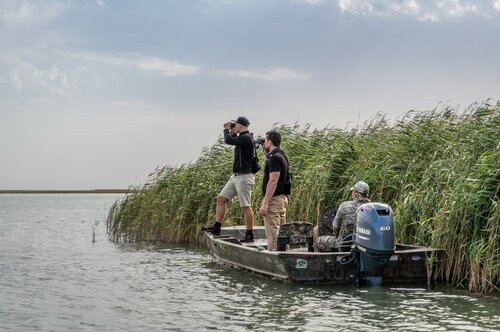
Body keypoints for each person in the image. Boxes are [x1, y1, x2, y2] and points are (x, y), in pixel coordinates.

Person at [204, 116, 256, 242]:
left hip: (244, 177)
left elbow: (228, 140)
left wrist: (227, 129)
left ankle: (250, 234)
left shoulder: (246, 137)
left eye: (235, 124)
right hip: (236, 176)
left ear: (241, 125)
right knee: (221, 199)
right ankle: (217, 227)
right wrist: (232, 131)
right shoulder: (242, 137)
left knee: (245, 206)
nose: (234, 126)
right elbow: (232, 139)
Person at [313, 181, 370, 252]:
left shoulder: (344, 206)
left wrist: (336, 236)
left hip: (344, 244)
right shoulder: (371, 208)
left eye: (352, 191)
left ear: (355, 193)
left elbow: (335, 226)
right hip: (364, 245)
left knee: (317, 240)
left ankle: (319, 261)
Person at [259, 130, 291, 250]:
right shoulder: (282, 155)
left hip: (274, 199)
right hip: (282, 198)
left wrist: (265, 203)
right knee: (282, 233)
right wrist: (264, 148)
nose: (264, 142)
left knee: (272, 233)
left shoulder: (275, 158)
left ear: (270, 142)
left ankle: (273, 255)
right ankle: (284, 254)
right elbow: (268, 159)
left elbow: (273, 180)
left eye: (265, 141)